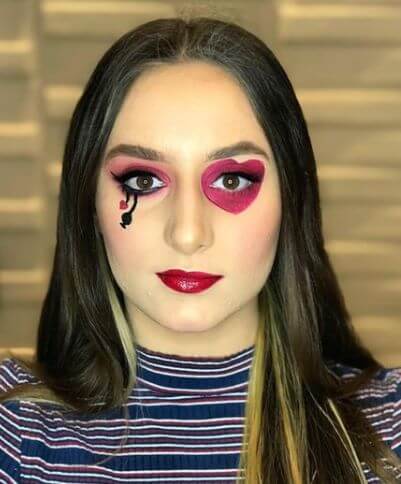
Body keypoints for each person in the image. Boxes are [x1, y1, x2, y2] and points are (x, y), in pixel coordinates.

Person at [0, 14, 400, 484]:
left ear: (291, 201)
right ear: (89, 206)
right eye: (142, 181)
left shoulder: (390, 429)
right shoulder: (14, 430)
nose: (188, 234)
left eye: (231, 180)